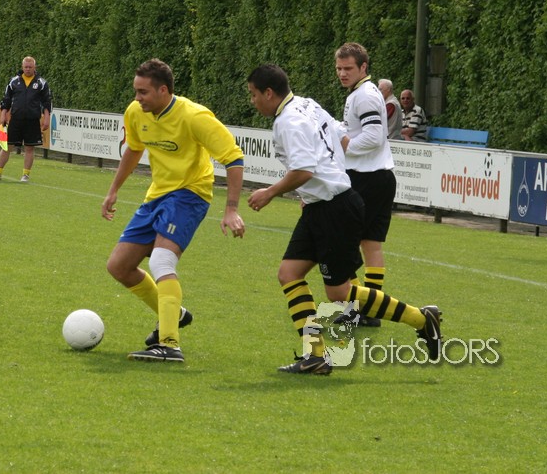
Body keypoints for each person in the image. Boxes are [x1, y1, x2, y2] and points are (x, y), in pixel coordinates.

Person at [246, 64, 441, 375]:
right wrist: (327, 176)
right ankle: (315, 355)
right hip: (321, 205)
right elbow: (339, 135)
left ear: (269, 93)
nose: (253, 101)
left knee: (338, 293)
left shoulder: (289, 121)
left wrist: (270, 192)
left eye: (254, 94)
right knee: (289, 274)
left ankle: (421, 319)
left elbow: (304, 169)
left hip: (334, 207)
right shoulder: (306, 104)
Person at [102, 59, 245, 363]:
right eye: (136, 91)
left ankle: (169, 344)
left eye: (143, 92)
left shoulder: (194, 116)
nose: (137, 98)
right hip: (157, 195)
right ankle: (174, 313)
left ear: (164, 90)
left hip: (190, 194)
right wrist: (113, 189)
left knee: (161, 260)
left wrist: (231, 210)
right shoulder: (135, 112)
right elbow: (135, 149)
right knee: (119, 266)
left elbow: (233, 158)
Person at [335, 43, 397, 327]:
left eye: (348, 68)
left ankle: (358, 306)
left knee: (340, 240)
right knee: (371, 245)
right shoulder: (362, 93)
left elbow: (374, 137)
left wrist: (344, 145)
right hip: (377, 176)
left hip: (368, 178)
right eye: (339, 68)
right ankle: (369, 311)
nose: (342, 73)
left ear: (363, 67)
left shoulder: (365, 96)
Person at [0, 56, 53, 182]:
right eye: (26, 67)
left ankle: (25, 175)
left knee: (29, 148)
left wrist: (47, 118)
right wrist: (3, 113)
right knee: (6, 146)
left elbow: (47, 102)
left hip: (32, 120)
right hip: (16, 119)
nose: (28, 69)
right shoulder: (14, 81)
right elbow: (6, 99)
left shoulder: (41, 83)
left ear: (35, 67)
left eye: (30, 67)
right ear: (22, 67)